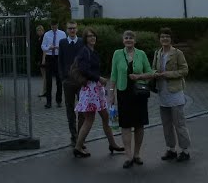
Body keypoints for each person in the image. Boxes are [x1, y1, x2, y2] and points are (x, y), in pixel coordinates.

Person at [71, 28, 124, 157]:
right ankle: (78, 146)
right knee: (89, 119)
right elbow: (84, 70)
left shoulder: (92, 52)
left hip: (96, 89)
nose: (92, 38)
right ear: (85, 39)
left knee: (105, 117)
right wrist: (98, 78)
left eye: (94, 36)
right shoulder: (84, 51)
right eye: (89, 36)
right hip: (90, 89)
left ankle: (112, 143)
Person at [109, 30, 153, 168]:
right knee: (126, 125)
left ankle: (137, 154)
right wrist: (111, 93)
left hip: (139, 93)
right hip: (123, 93)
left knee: (139, 124)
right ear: (123, 40)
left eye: (131, 38)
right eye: (126, 38)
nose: (128, 40)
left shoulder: (141, 54)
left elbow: (150, 72)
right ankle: (128, 156)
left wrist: (139, 77)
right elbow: (113, 74)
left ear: (135, 41)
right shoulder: (117, 54)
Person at [152, 27, 191, 163]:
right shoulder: (157, 53)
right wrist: (154, 73)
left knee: (179, 123)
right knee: (166, 124)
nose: (165, 39)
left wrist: (168, 74)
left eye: (167, 37)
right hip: (162, 92)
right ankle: (171, 149)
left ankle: (185, 151)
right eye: (162, 37)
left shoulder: (177, 53)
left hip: (175, 93)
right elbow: (153, 68)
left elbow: (185, 70)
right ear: (159, 39)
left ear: (171, 39)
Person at [58, 21, 84, 144]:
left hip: (80, 81)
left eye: (74, 28)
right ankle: (73, 135)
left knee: (82, 109)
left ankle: (81, 135)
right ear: (67, 30)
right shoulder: (62, 43)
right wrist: (63, 77)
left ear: (77, 29)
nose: (72, 30)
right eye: (70, 28)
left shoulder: (82, 42)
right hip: (68, 81)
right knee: (70, 108)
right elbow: (60, 61)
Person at [41, 21, 65, 108]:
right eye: (52, 26)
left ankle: (59, 101)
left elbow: (65, 45)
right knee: (48, 80)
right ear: (50, 25)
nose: (53, 28)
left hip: (58, 57)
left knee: (59, 80)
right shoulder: (47, 34)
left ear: (57, 25)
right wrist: (48, 48)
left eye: (55, 26)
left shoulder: (62, 34)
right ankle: (48, 102)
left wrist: (60, 47)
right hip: (49, 57)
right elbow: (43, 46)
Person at [34, 25, 47, 97]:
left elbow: (44, 50)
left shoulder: (43, 38)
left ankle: (44, 91)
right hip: (40, 58)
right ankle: (45, 90)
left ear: (43, 30)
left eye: (40, 30)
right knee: (44, 76)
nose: (39, 32)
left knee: (45, 76)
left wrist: (43, 59)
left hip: (43, 59)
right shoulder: (39, 38)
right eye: (38, 30)